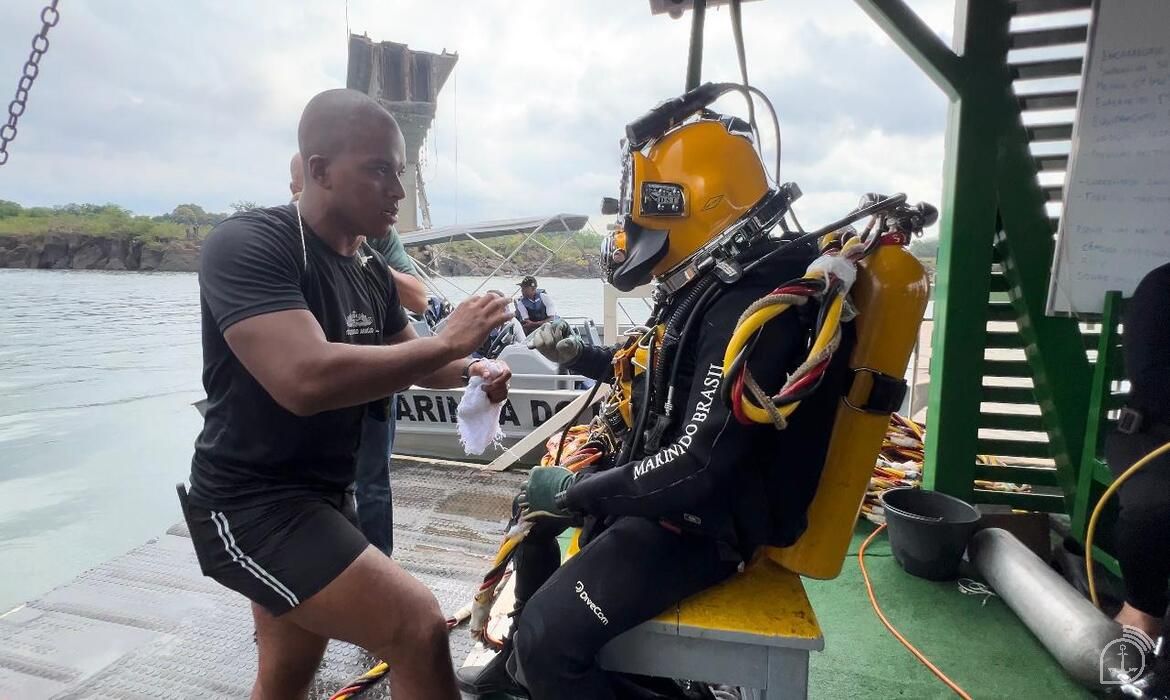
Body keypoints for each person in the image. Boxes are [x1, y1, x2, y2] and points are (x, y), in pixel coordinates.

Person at [457, 109, 848, 699]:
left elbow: (699, 464)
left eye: (642, 202)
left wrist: (576, 490)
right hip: (670, 500)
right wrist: (580, 355)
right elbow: (654, 372)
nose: (634, 220)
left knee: (548, 644)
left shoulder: (757, 308)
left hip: (701, 526)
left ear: (686, 200)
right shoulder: (713, 288)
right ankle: (512, 669)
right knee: (529, 510)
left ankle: (529, 660)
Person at [185, 88, 513, 699]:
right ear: (319, 171)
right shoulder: (251, 244)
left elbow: (414, 361)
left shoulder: (369, 269)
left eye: (401, 172)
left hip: (327, 495)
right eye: (379, 170)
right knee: (416, 626)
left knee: (287, 674)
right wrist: (447, 340)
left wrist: (473, 367)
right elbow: (303, 380)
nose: (398, 190)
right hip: (249, 505)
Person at [290, 151, 427, 556]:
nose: (397, 192)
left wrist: (366, 255)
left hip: (373, 392)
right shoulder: (281, 240)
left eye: (397, 174)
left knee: (372, 482)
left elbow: (418, 303)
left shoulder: (376, 240)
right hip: (317, 397)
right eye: (300, 190)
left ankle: (377, 561)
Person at [1106, 262, 1170, 641]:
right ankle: (1141, 614)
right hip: (1151, 434)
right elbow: (1151, 380)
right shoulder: (1161, 287)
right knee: (1154, 510)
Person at [475, 289, 527, 358]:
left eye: (504, 305)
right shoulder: (479, 325)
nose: (504, 309)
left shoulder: (512, 322)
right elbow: (474, 352)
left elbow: (523, 343)